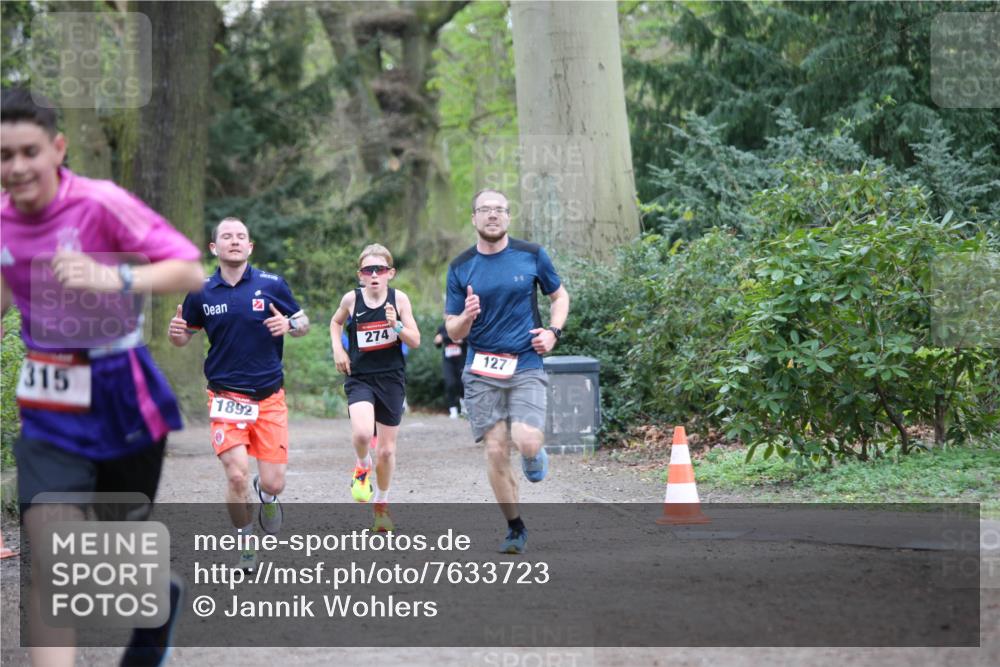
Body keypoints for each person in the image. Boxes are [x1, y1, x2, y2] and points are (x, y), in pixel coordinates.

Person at [1, 87, 204, 667]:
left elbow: (189, 270)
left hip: (122, 396)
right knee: (50, 556)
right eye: (3, 155)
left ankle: (157, 604)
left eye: (28, 151)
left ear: (57, 148)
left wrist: (112, 277)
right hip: (49, 408)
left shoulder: (100, 203)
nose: (16, 167)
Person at [168, 217, 309, 570]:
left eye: (241, 236)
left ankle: (268, 495)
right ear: (214, 248)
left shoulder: (272, 284)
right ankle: (245, 540)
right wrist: (176, 333)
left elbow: (304, 323)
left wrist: (289, 324)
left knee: (275, 483)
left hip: (269, 397)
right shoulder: (201, 290)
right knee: (235, 474)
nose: (235, 241)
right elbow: (184, 334)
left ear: (250, 247)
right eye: (227, 236)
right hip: (225, 396)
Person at [445, 189, 569, 554]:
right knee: (496, 450)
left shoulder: (531, 255)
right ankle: (515, 527)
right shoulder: (460, 266)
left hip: (526, 362)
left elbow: (559, 296)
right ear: (474, 219)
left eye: (499, 210)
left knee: (527, 439)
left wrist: (553, 332)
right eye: (485, 210)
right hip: (481, 369)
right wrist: (467, 316)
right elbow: (452, 330)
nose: (492, 215)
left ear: (508, 217)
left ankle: (533, 453)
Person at [330, 244, 419, 532]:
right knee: (363, 433)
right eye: (368, 270)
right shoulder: (351, 299)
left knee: (387, 452)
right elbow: (335, 322)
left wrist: (396, 327)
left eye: (380, 269)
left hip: (391, 378)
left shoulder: (400, 299)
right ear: (361, 275)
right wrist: (338, 350)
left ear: (390, 273)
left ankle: (381, 507)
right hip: (360, 377)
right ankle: (361, 464)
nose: (374, 275)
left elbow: (415, 340)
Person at [434, 323, 468, 418]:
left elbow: (466, 340)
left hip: (462, 360)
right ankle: (453, 409)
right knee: (450, 383)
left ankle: (465, 407)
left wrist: (446, 337)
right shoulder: (442, 327)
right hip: (448, 361)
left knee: (462, 383)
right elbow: (438, 344)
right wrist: (437, 341)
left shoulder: (463, 324)